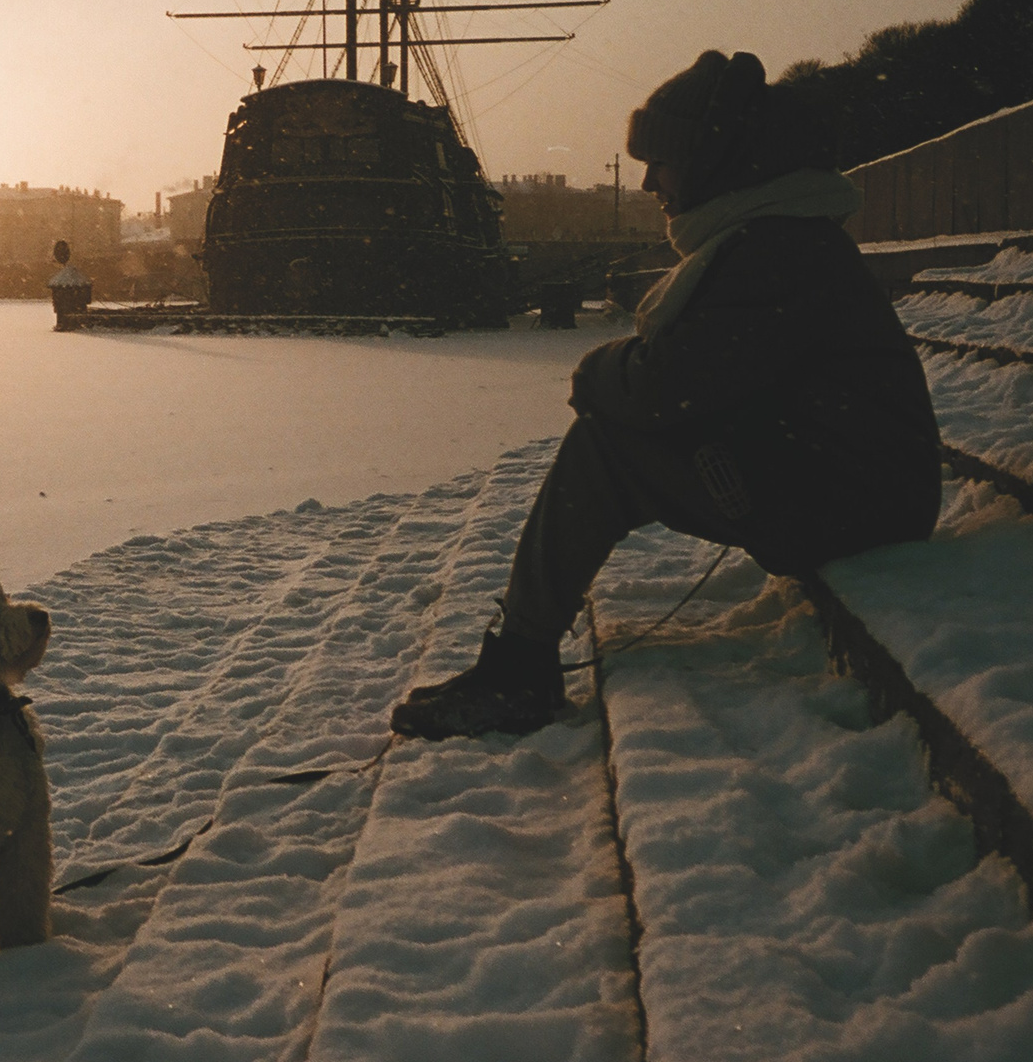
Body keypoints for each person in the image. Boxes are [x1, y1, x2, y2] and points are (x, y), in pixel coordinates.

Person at [389, 50, 942, 740]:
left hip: (855, 504)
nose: (648, 181)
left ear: (714, 163)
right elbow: (697, 378)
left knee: (605, 448)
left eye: (661, 161)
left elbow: (661, 389)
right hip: (851, 483)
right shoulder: (776, 237)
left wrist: (594, 374)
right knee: (615, 440)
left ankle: (519, 670)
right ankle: (518, 658)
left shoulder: (773, 252)